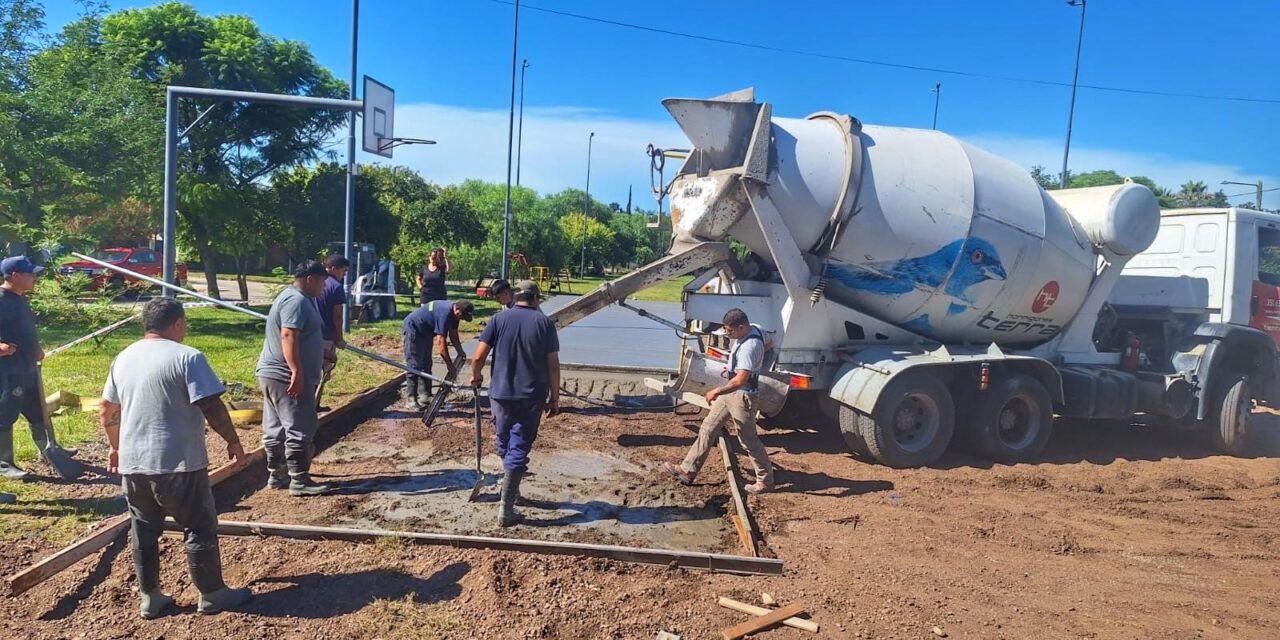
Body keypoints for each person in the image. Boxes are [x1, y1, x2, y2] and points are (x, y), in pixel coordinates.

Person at [100, 297, 252, 618]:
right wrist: (234, 442)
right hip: (178, 462)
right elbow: (210, 404)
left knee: (143, 529)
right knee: (198, 525)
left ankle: (150, 597)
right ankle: (212, 594)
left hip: (134, 464)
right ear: (178, 323)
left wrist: (115, 448)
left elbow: (107, 410)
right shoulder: (188, 357)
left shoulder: (123, 357)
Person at [470, 280, 560, 527]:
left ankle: (512, 485)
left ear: (516, 296)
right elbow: (553, 365)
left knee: (504, 441)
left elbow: (478, 357)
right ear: (536, 298)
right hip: (531, 396)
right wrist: (555, 397)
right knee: (518, 447)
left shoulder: (498, 320)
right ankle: (506, 510)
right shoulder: (545, 323)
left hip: (500, 394)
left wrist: (476, 376)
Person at [663, 308, 775, 494]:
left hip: (742, 396)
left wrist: (716, 390)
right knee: (708, 427)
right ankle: (687, 470)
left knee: (748, 440)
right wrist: (760, 355)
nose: (727, 334)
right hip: (730, 393)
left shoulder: (750, 347)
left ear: (741, 327)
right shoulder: (757, 329)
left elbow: (740, 380)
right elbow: (771, 342)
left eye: (730, 331)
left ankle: (766, 481)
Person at [0, 256, 76, 492]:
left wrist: (36, 350)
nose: (34, 277)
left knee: (37, 411)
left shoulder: (20, 299)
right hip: (8, 371)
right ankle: (4, 462)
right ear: (13, 276)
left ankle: (49, 449)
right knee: (5, 414)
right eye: (29, 274)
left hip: (28, 368)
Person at [256, 260, 330, 497]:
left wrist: (322, 352)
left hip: (274, 375)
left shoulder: (296, 298)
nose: (324, 287)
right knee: (300, 427)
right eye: (322, 282)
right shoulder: (296, 300)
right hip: (286, 376)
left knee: (275, 428)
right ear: (310, 279)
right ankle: (299, 480)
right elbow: (288, 335)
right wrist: (296, 371)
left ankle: (277, 475)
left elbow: (301, 334)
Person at [401, 299, 473, 410]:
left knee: (426, 363)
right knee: (414, 365)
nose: (461, 319)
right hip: (414, 329)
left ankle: (425, 396)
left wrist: (460, 351)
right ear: (457, 309)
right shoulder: (444, 313)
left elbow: (453, 335)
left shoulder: (456, 315)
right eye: (461, 316)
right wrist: (449, 365)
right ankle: (411, 400)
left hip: (427, 332)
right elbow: (441, 344)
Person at [313, 255, 350, 411]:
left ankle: (312, 405)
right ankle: (313, 405)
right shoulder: (336, 287)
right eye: (344, 270)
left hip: (311, 334)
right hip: (326, 336)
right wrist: (339, 338)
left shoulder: (316, 283)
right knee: (323, 372)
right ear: (334, 268)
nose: (345, 274)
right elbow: (337, 316)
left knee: (312, 370)